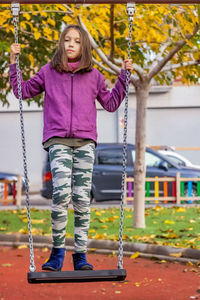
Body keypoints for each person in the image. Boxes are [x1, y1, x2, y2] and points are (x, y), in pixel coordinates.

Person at [10, 24, 133, 272]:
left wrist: (124, 77)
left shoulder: (95, 76)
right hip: (58, 140)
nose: (71, 44)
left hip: (85, 141)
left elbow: (110, 104)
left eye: (76, 41)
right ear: (61, 43)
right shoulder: (48, 72)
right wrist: (14, 64)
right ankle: (57, 253)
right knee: (61, 194)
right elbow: (22, 91)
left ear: (83, 46)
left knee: (81, 198)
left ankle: (80, 256)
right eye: (67, 40)